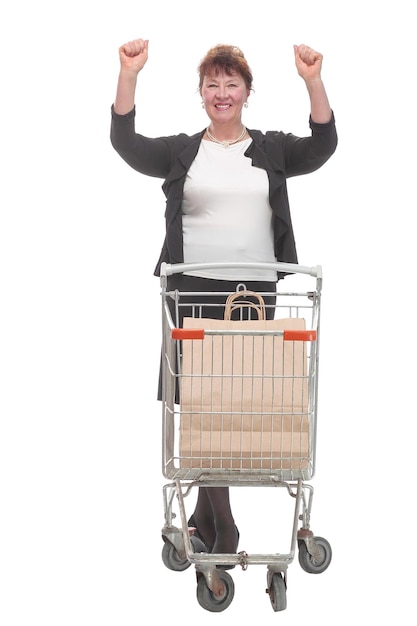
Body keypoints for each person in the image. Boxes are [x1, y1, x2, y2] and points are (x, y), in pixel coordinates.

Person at [110, 38, 337, 563]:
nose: (221, 92)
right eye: (212, 84)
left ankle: (207, 521)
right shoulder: (182, 152)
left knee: (238, 406)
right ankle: (223, 526)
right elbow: (126, 143)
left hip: (253, 298)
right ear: (201, 94)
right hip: (192, 293)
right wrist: (128, 75)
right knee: (204, 408)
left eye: (231, 83)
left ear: (247, 92)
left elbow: (323, 145)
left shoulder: (272, 148)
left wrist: (313, 81)